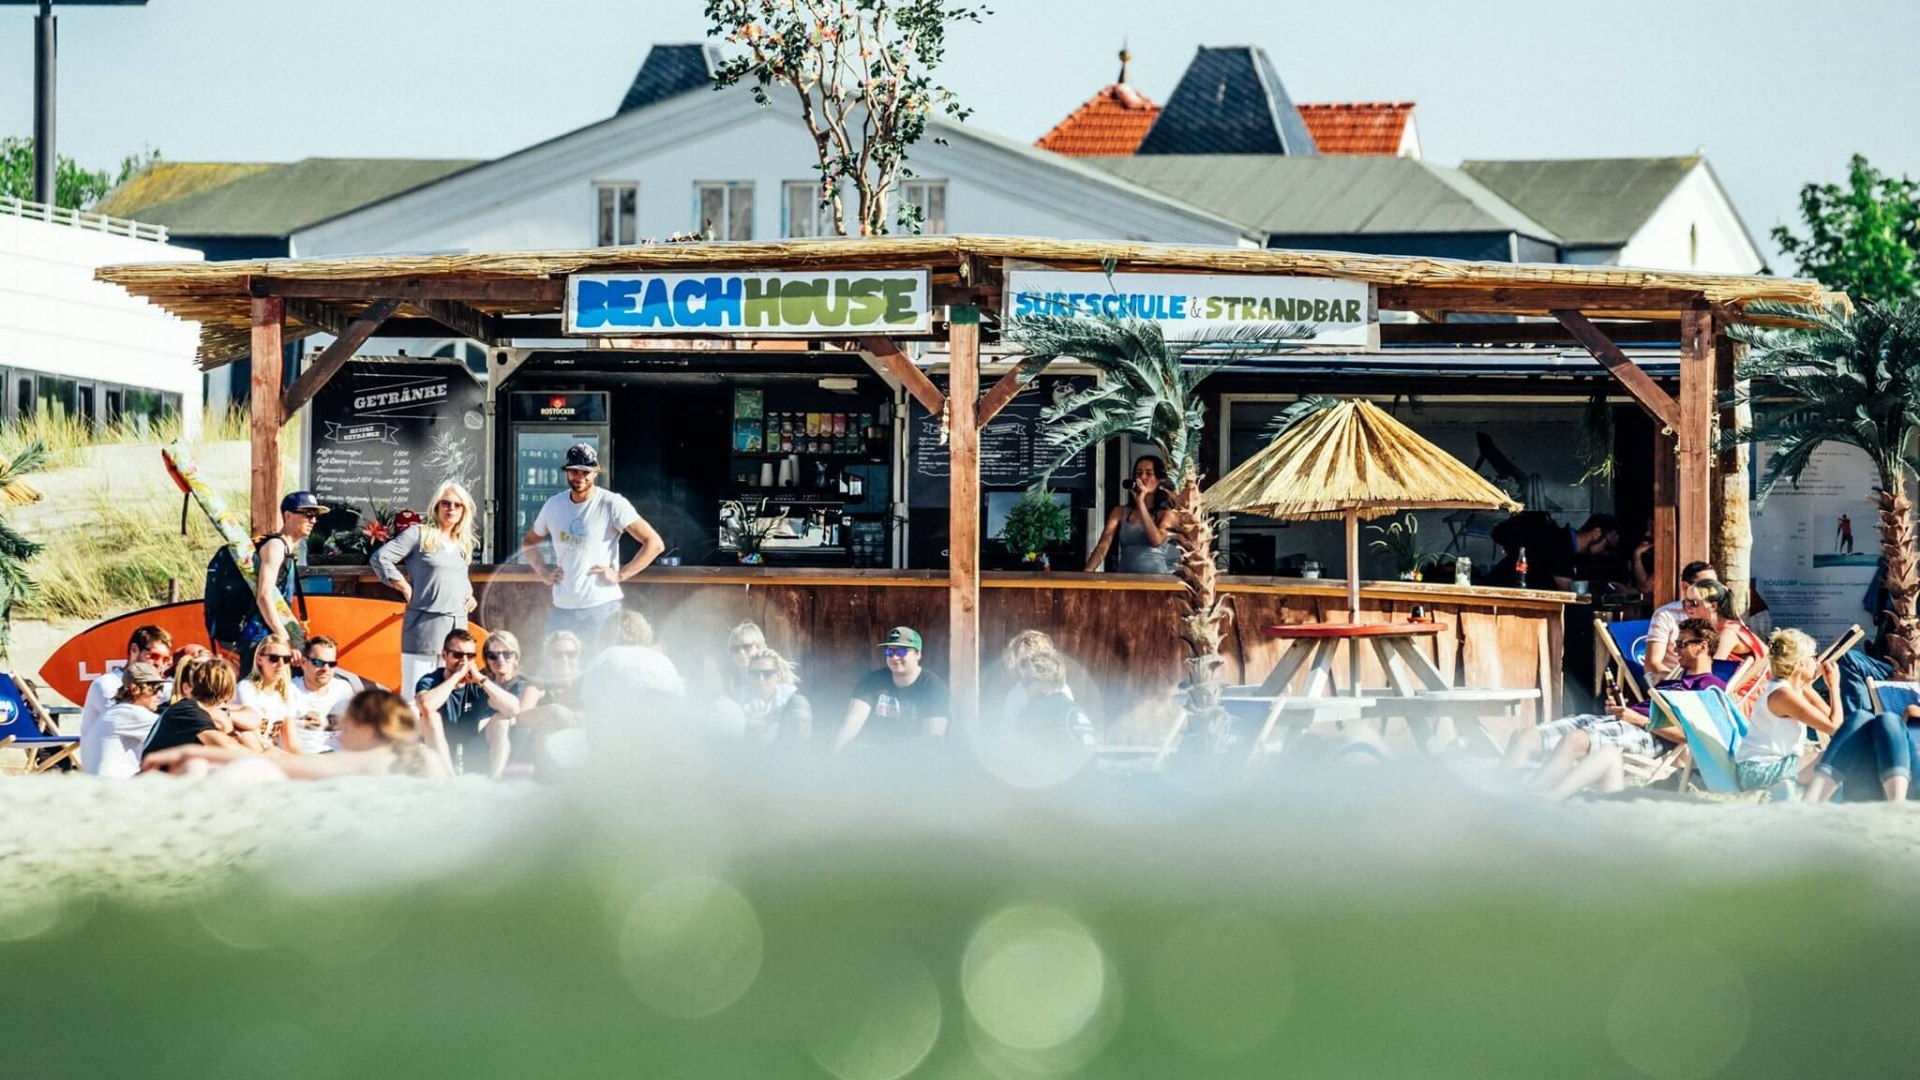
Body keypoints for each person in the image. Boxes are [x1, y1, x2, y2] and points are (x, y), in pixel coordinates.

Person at [1512, 619, 1726, 800]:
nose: (1675, 649)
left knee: (1575, 739)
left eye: (1681, 643)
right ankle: (1501, 797)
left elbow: (1695, 736)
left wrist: (1639, 720)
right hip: (1623, 722)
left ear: (1702, 646)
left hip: (1650, 735)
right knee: (1525, 735)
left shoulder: (1710, 687)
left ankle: (1528, 800)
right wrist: (1624, 711)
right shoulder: (1674, 680)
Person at [520, 443, 666, 655]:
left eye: (585, 472)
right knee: (558, 673)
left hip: (601, 606)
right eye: (574, 471)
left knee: (600, 670)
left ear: (595, 472)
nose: (579, 477)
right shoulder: (553, 505)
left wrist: (621, 574)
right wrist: (542, 571)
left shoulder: (611, 503)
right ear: (566, 472)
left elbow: (654, 543)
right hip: (562, 606)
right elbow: (529, 541)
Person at [143, 689, 450, 780]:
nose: (341, 736)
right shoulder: (424, 757)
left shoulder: (375, 760)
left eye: (347, 727)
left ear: (369, 729)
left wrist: (192, 752)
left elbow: (281, 767)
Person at [373, 481, 479, 694]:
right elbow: (381, 557)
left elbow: (458, 576)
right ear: (437, 506)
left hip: (457, 633)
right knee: (415, 697)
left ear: (464, 511)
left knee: (449, 697)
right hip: (423, 629)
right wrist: (402, 585)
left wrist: (470, 595)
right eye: (446, 503)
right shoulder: (418, 534)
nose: (451, 509)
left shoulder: (463, 544)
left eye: (458, 505)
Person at [1735, 629, 1843, 795]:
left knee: (1838, 756)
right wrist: (1834, 687)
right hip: (1759, 772)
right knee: (1836, 757)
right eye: (1814, 657)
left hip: (1778, 764)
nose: (1817, 663)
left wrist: (1828, 687)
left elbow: (1838, 724)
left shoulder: (1797, 689)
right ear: (1800, 663)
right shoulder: (1782, 694)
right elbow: (1834, 727)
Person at [231, 491, 325, 679]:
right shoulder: (275, 546)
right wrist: (285, 638)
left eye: (315, 515)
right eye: (307, 514)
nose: (313, 520)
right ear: (288, 516)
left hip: (269, 637)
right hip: (261, 640)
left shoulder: (286, 549)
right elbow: (264, 596)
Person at [414, 629, 524, 777]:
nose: (464, 661)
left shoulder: (478, 682)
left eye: (470, 656)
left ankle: (495, 779)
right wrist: (456, 677)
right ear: (445, 655)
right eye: (458, 655)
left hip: (470, 749)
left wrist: (480, 679)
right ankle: (450, 781)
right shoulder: (431, 680)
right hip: (437, 751)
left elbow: (513, 709)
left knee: (502, 720)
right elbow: (425, 705)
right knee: (430, 718)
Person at [835, 626, 950, 751]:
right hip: (873, 759)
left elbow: (931, 741)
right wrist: (834, 757)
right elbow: (850, 726)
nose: (894, 657)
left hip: (915, 761)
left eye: (901, 652)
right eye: (890, 652)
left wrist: (891, 755)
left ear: (918, 654)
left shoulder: (934, 688)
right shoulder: (871, 682)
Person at [141, 653, 257, 760]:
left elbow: (252, 717)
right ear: (228, 694)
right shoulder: (188, 710)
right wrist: (265, 759)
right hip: (154, 780)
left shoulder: (189, 708)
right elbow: (227, 747)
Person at [78, 625, 171, 757]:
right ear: (134, 650)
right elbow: (131, 724)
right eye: (154, 656)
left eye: (166, 659)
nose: (160, 664)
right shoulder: (107, 684)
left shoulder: (160, 686)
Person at [1084, 455, 1178, 573]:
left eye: (1148, 473)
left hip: (1156, 580)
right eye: (1138, 473)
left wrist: (1140, 502)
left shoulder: (1167, 514)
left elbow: (1156, 541)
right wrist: (1088, 571)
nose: (1142, 477)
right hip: (1125, 577)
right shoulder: (1120, 511)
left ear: (1159, 480)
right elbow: (1103, 546)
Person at [79, 661, 167, 778]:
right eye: (155, 689)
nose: (160, 695)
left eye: (162, 688)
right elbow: (180, 732)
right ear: (135, 689)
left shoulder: (117, 712)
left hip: (100, 786)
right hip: (115, 789)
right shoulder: (133, 714)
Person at [1489, 512, 1618, 591]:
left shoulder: (1564, 543)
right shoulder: (1561, 544)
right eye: (1608, 546)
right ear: (1596, 533)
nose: (1606, 553)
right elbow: (1567, 592)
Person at [1641, 561, 1717, 676]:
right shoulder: (1666, 615)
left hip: (1713, 681)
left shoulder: (1718, 613)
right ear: (1686, 587)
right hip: (1678, 683)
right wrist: (1683, 682)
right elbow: (1652, 663)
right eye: (1705, 586)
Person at [288, 635, 355, 754]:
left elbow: (356, 723)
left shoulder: (343, 688)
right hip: (303, 757)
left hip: (339, 757)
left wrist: (326, 721)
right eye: (318, 662)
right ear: (303, 662)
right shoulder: (290, 690)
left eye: (332, 664)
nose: (325, 668)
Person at [737, 645, 812, 745]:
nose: (761, 679)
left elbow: (799, 743)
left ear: (778, 675)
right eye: (755, 674)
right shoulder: (738, 699)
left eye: (767, 674)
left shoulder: (794, 702)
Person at [234, 635, 298, 750]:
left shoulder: (289, 691)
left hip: (271, 754)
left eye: (286, 659)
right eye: (274, 658)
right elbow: (255, 739)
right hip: (247, 753)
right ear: (259, 659)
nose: (281, 664)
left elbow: (291, 744)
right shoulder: (246, 689)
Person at [1688, 578, 1764, 664]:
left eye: (1693, 603)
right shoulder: (1718, 629)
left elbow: (1713, 669)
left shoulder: (1728, 633)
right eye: (1686, 602)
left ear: (1713, 606)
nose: (1688, 607)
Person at [722, 621, 769, 702]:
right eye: (736, 648)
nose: (741, 652)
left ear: (760, 647)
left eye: (747, 647)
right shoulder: (728, 681)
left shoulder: (772, 676)